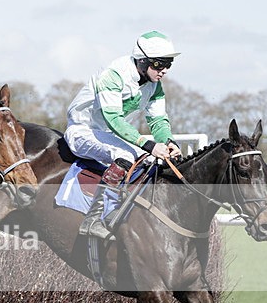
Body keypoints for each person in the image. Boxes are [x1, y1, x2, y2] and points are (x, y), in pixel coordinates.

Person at [64, 31, 183, 239]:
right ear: (143, 60)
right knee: (126, 155)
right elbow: (114, 120)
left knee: (151, 159)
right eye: (159, 64)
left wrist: (168, 141)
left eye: (168, 64)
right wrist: (148, 144)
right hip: (83, 131)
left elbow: (157, 120)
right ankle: (93, 218)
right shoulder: (114, 74)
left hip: (109, 135)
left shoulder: (154, 86)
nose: (163, 70)